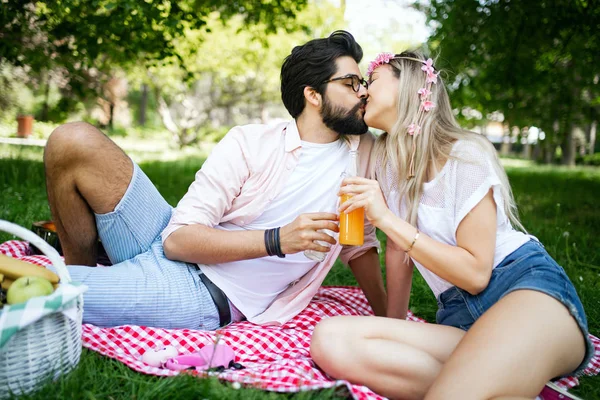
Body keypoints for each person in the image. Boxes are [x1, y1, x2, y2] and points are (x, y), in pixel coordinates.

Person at [42, 30, 386, 330]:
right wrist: (278, 240)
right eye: (351, 83)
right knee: (72, 139)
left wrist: (389, 319)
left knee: (46, 286)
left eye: (364, 83)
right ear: (313, 95)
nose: (363, 93)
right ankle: (88, 275)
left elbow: (359, 243)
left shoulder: (364, 152)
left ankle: (93, 287)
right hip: (171, 239)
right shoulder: (250, 142)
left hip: (207, 291)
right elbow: (176, 240)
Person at [309, 51, 594, 399]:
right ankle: (517, 383)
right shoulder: (386, 161)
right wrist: (393, 327)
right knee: (331, 340)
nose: (364, 90)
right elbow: (399, 251)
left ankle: (499, 377)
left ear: (412, 90)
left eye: (374, 80)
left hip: (523, 290)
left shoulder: (464, 155)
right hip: (459, 315)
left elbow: (476, 274)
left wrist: (385, 219)